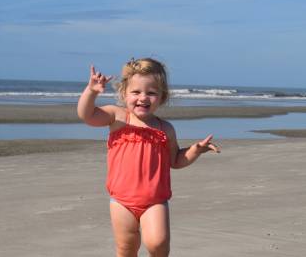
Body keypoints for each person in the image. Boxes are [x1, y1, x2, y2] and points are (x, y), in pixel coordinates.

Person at [77, 57, 220, 257]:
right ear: (124, 93)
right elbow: (86, 115)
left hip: (154, 201)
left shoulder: (165, 129)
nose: (143, 98)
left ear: (162, 97)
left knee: (158, 244)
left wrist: (195, 150)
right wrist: (91, 91)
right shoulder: (117, 117)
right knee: (126, 248)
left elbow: (176, 160)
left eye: (151, 93)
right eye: (136, 92)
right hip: (121, 201)